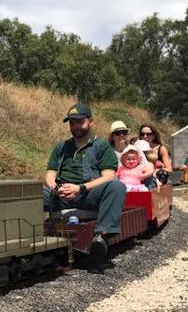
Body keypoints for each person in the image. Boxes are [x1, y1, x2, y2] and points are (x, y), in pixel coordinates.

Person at [44, 103, 127, 258]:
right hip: (60, 195)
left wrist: (80, 188)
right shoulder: (61, 147)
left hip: (87, 195)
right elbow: (50, 174)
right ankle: (22, 235)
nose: (75, 126)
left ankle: (101, 236)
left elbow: (108, 176)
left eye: (79, 122)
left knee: (116, 186)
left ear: (90, 121)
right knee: (29, 193)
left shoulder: (101, 146)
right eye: (72, 122)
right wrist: (56, 188)